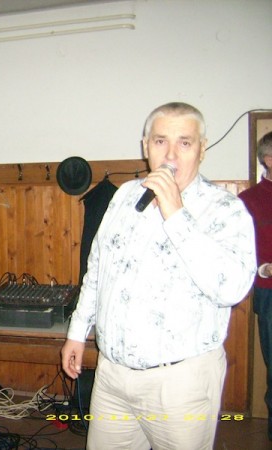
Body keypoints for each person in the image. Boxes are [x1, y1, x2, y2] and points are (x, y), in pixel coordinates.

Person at [61, 102, 256, 449]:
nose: (171, 155)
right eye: (160, 141)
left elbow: (232, 289)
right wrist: (77, 332)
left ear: (202, 149)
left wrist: (176, 214)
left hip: (180, 382)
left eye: (185, 142)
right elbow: (99, 267)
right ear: (145, 146)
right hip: (113, 376)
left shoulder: (225, 210)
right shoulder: (125, 196)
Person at [238, 131, 272, 441]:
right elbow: (237, 253)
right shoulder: (248, 201)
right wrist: (261, 268)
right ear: (268, 159)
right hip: (270, 292)